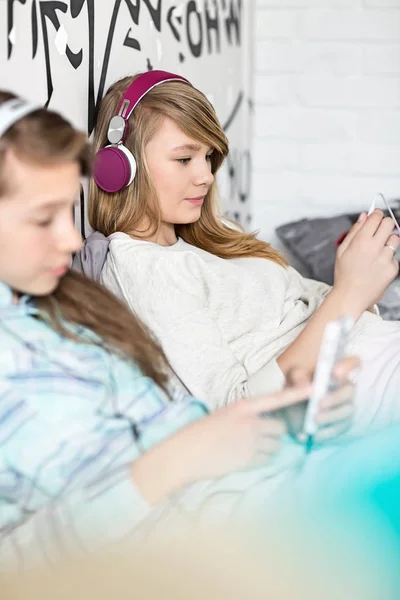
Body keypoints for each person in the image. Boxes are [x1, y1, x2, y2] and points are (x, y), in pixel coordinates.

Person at [0, 89, 367, 569]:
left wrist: (284, 421)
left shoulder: (64, 307)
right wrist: (175, 463)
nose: (71, 237)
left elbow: (178, 431)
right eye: (43, 218)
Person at [81, 70, 400, 432]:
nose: (206, 175)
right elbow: (234, 409)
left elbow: (313, 305)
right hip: (359, 389)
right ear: (119, 168)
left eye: (208, 156)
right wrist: (349, 294)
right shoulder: (144, 268)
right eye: (185, 159)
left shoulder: (216, 234)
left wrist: (362, 284)